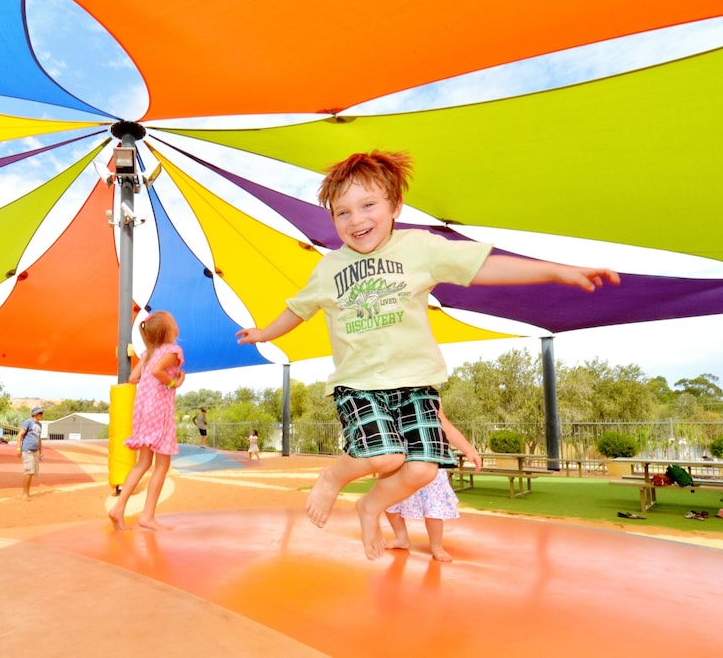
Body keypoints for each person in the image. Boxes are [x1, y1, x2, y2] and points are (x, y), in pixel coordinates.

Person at [236, 150, 620, 559]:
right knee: (385, 455)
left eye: (368, 205)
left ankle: (371, 505)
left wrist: (557, 270)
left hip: (414, 383)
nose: (356, 220)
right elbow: (298, 309)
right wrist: (264, 333)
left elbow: (483, 268)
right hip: (360, 384)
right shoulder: (330, 267)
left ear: (395, 206)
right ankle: (333, 478)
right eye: (342, 212)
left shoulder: (419, 247)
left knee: (422, 468)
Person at [108, 310, 185, 531]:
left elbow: (134, 379)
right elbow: (159, 372)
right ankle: (148, 516)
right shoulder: (173, 350)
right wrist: (173, 383)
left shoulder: (148, 353)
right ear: (170, 331)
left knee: (143, 462)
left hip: (143, 411)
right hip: (159, 411)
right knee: (162, 464)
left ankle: (118, 508)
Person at [384, 409, 482, 562]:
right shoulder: (391, 396)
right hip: (402, 461)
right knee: (388, 500)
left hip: (429, 459)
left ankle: (436, 546)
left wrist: (469, 450)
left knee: (433, 506)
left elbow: (447, 428)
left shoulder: (430, 398)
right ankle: (401, 537)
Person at [16, 407, 44, 499]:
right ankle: (25, 494)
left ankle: (27, 493)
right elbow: (20, 434)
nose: (41, 415)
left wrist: (41, 451)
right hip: (27, 450)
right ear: (35, 414)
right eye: (39, 413)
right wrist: (18, 448)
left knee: (31, 472)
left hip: (35, 451)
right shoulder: (28, 422)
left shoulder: (39, 425)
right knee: (28, 471)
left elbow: (39, 438)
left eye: (41, 413)